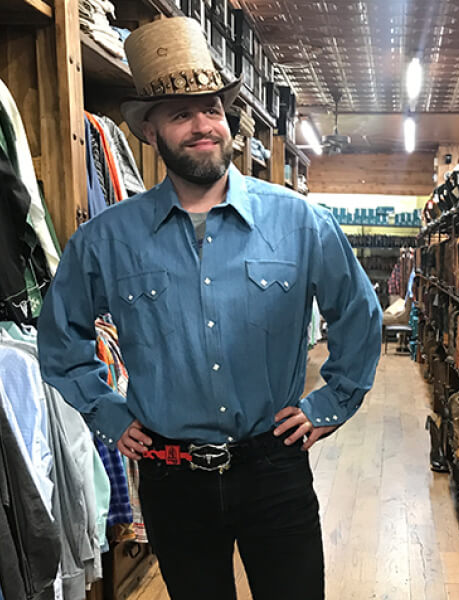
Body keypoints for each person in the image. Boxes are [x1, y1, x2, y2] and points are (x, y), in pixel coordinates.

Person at [37, 17, 382, 600]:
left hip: (275, 465)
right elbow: (60, 339)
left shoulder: (298, 221)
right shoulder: (105, 240)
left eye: (212, 110)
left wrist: (332, 401)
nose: (203, 126)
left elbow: (359, 312)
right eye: (180, 114)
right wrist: (108, 413)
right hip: (173, 477)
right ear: (151, 132)